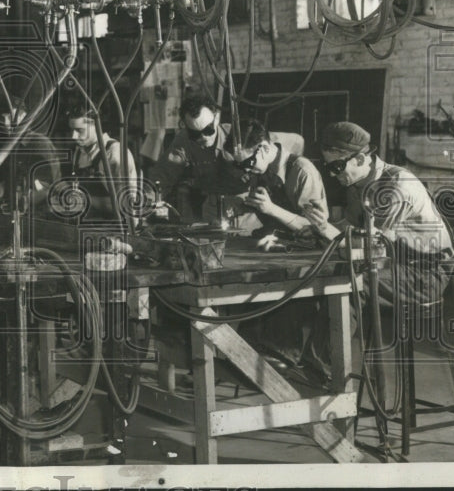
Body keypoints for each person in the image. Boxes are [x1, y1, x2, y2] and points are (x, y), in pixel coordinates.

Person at [226, 121, 335, 381]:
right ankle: (249, 353)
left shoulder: (301, 170)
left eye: (246, 163)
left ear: (263, 148)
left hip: (311, 258)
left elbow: (316, 228)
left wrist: (271, 209)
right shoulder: (260, 168)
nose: (246, 169)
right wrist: (245, 205)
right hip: (280, 251)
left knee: (281, 289)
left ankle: (282, 355)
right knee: (246, 288)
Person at [319, 121, 454, 306]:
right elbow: (350, 228)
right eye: (328, 168)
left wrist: (325, 229)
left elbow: (375, 247)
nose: (332, 175)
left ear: (359, 159)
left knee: (349, 283)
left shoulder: (396, 186)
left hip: (426, 273)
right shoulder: (355, 184)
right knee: (329, 277)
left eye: (336, 167)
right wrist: (313, 226)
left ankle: (336, 336)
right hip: (396, 265)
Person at [148, 91, 304, 223]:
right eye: (195, 134)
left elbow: (287, 144)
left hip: (247, 210)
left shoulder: (238, 136)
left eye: (208, 130)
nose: (203, 138)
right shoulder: (183, 141)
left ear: (216, 118)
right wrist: (146, 204)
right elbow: (162, 177)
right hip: (210, 209)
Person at [65, 103, 138, 218]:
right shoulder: (79, 152)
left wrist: (85, 200)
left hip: (114, 228)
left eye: (79, 130)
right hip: (87, 225)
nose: (73, 136)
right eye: (72, 130)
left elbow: (125, 206)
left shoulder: (114, 153)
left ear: (96, 125)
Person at [0, 95, 62, 206]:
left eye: (10, 117)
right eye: (3, 118)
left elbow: (47, 190)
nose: (6, 123)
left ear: (24, 118)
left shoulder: (39, 144)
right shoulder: (9, 146)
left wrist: (15, 199)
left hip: (40, 212)